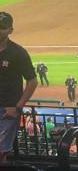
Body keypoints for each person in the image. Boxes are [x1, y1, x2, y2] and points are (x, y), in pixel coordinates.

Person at [0, 11, 38, 163]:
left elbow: (32, 81)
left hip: (6, 110)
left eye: (2, 27)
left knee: (1, 151)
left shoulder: (18, 53)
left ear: (10, 30)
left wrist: (17, 107)